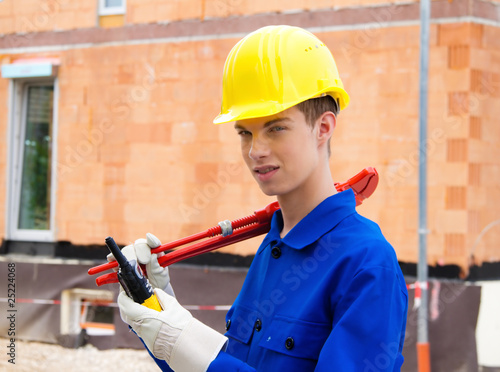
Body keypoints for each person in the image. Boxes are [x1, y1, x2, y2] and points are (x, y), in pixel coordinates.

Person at [116, 25, 408, 371]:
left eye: (275, 128)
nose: (256, 150)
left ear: (324, 127)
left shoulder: (367, 263)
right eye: (245, 133)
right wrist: (161, 316)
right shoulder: (274, 245)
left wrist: (191, 348)